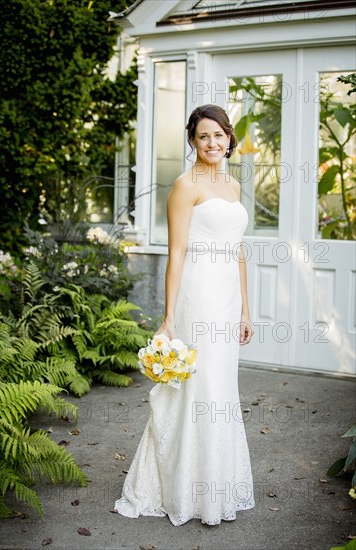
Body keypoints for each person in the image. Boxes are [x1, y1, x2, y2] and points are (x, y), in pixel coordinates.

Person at [114, 104, 255, 526]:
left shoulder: (231, 185)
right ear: (193, 141)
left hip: (228, 299)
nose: (213, 143)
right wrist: (168, 317)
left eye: (219, 135)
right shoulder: (184, 185)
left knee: (221, 390)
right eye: (203, 136)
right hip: (199, 294)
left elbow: (239, 250)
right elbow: (176, 254)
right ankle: (186, 492)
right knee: (200, 389)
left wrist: (246, 309)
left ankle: (216, 486)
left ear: (229, 138)